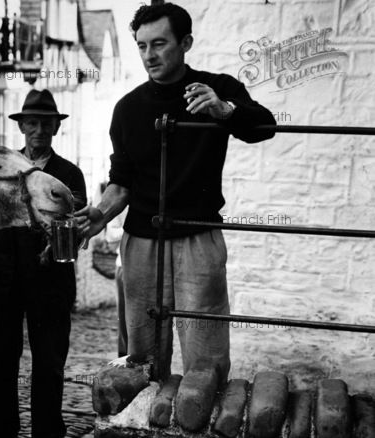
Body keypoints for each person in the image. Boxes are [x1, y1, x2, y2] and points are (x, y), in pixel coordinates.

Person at [75, 3, 276, 383]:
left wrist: (225, 111)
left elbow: (265, 126)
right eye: (142, 46)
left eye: (160, 44)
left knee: (207, 355)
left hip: (198, 238)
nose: (149, 55)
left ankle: (203, 412)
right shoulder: (127, 109)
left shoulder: (217, 89)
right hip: (141, 243)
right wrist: (99, 215)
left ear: (185, 43)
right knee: (143, 355)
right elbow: (121, 184)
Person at [0, 89, 87, 438]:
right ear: (22, 127)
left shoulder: (69, 174)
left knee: (48, 359)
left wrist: (66, 231)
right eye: (32, 123)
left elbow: (76, 226)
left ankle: (48, 431)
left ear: (55, 128)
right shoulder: (7, 168)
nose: (38, 130)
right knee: (2, 354)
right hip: (5, 275)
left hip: (50, 279)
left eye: (45, 124)